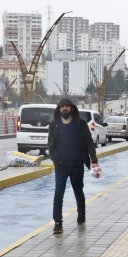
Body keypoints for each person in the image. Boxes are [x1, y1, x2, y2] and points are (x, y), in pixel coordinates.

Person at [47, 98, 100, 235]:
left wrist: (93, 160)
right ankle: (58, 223)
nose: (64, 108)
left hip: (77, 164)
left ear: (72, 109)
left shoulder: (80, 124)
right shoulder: (54, 125)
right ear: (59, 109)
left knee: (78, 191)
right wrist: (55, 160)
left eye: (67, 106)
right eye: (62, 106)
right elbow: (50, 144)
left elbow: (89, 143)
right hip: (61, 165)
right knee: (58, 193)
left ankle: (81, 213)